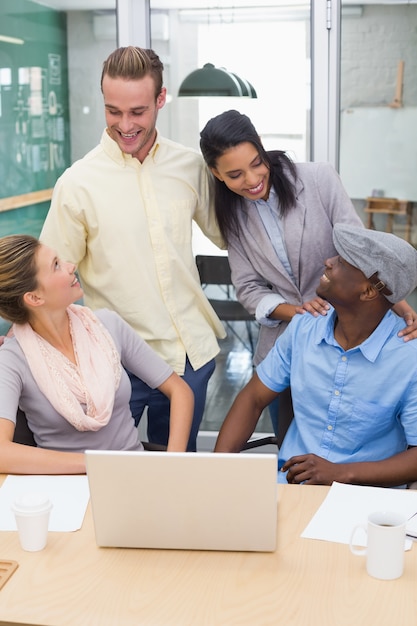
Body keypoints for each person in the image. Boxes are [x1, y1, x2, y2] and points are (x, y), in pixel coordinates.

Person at [40, 46, 226, 452]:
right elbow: (46, 274)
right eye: (113, 111)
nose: (124, 125)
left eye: (138, 112)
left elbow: (235, 237)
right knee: (111, 477)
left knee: (176, 476)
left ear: (161, 100)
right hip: (114, 362)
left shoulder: (189, 166)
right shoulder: (78, 183)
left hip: (188, 355)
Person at [200, 109, 417, 441]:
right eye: (235, 174)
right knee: (292, 446)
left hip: (346, 334)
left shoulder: (318, 180)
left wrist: (402, 308)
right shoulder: (232, 215)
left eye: (256, 162)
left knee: (347, 441)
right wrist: (296, 313)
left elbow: (364, 252)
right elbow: (247, 288)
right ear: (216, 174)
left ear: (261, 146)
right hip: (284, 343)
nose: (252, 179)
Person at [215, 224, 417, 488]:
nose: (328, 262)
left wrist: (340, 474)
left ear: (368, 291)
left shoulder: (408, 358)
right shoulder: (304, 327)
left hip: (368, 499)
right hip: (292, 488)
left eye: (342, 261)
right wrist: (216, 473)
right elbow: (252, 398)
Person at [0, 235, 195, 475]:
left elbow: (180, 391)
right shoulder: (11, 359)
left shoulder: (108, 325)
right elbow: (2, 453)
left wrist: (171, 464)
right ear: (34, 298)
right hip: (66, 487)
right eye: (56, 265)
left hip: (135, 475)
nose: (71, 266)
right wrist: (97, 465)